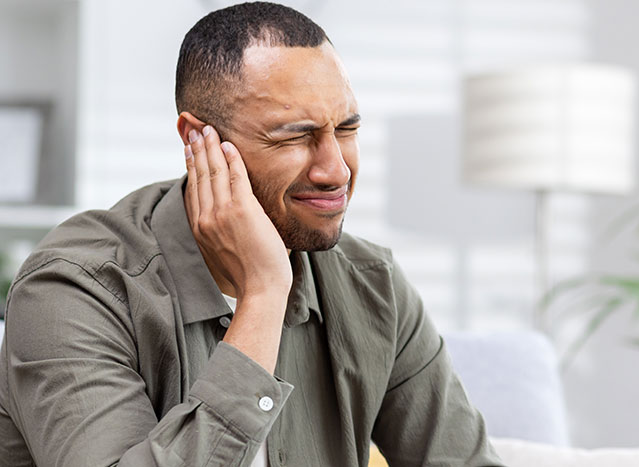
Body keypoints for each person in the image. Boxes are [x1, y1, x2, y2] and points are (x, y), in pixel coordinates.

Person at [0, 2, 505, 466]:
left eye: (346, 130)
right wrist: (263, 295)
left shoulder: (371, 283)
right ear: (199, 140)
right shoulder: (74, 288)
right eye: (296, 136)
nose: (336, 169)